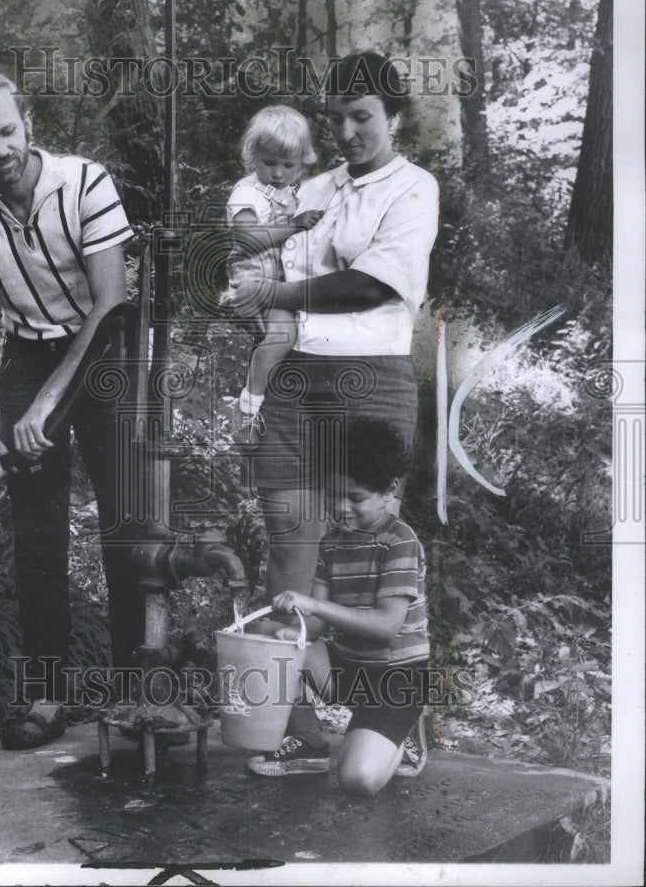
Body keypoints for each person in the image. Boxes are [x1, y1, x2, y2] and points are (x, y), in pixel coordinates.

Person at [0, 71, 144, 749]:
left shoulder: (84, 183)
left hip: (105, 355)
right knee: (38, 538)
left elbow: (109, 305)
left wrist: (49, 403)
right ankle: (48, 695)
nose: (1, 150)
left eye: (9, 131)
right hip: (29, 353)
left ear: (26, 123)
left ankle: (133, 694)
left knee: (123, 526)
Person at [221, 51, 439, 613]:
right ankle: (286, 699)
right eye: (335, 118)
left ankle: (368, 691)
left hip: (369, 381)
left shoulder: (413, 188)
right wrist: (248, 281)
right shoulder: (312, 190)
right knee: (289, 550)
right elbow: (258, 252)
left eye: (361, 116)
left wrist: (271, 294)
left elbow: (368, 286)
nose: (346, 132)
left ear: (393, 116)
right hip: (294, 385)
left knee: (361, 558)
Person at [246, 419, 430, 794]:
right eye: (332, 495)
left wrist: (312, 605)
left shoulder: (399, 541)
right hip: (349, 669)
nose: (341, 508)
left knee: (357, 780)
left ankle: (405, 729)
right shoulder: (332, 543)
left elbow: (385, 628)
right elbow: (314, 629)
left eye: (356, 497)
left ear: (388, 491)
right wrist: (287, 632)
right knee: (269, 639)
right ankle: (310, 744)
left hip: (396, 680)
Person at [218, 106, 322, 443]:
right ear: (253, 156)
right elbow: (247, 239)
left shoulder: (290, 193)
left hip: (278, 279)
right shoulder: (247, 193)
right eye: (269, 163)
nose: (278, 173)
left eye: (289, 165)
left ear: (301, 162)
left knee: (290, 338)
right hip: (254, 276)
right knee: (281, 337)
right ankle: (247, 409)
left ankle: (262, 401)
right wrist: (293, 224)